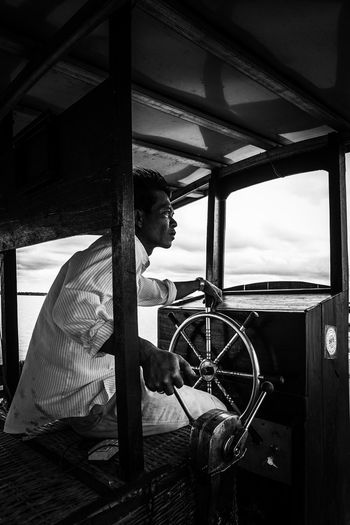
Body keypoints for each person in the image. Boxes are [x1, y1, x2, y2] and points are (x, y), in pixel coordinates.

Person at [5, 168, 225, 438]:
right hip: (84, 405)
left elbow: (153, 290)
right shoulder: (114, 252)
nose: (174, 223)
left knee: (190, 396)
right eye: (167, 213)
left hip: (77, 395)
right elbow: (73, 313)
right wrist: (147, 353)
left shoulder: (121, 256)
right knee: (214, 407)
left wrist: (200, 285)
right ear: (138, 217)